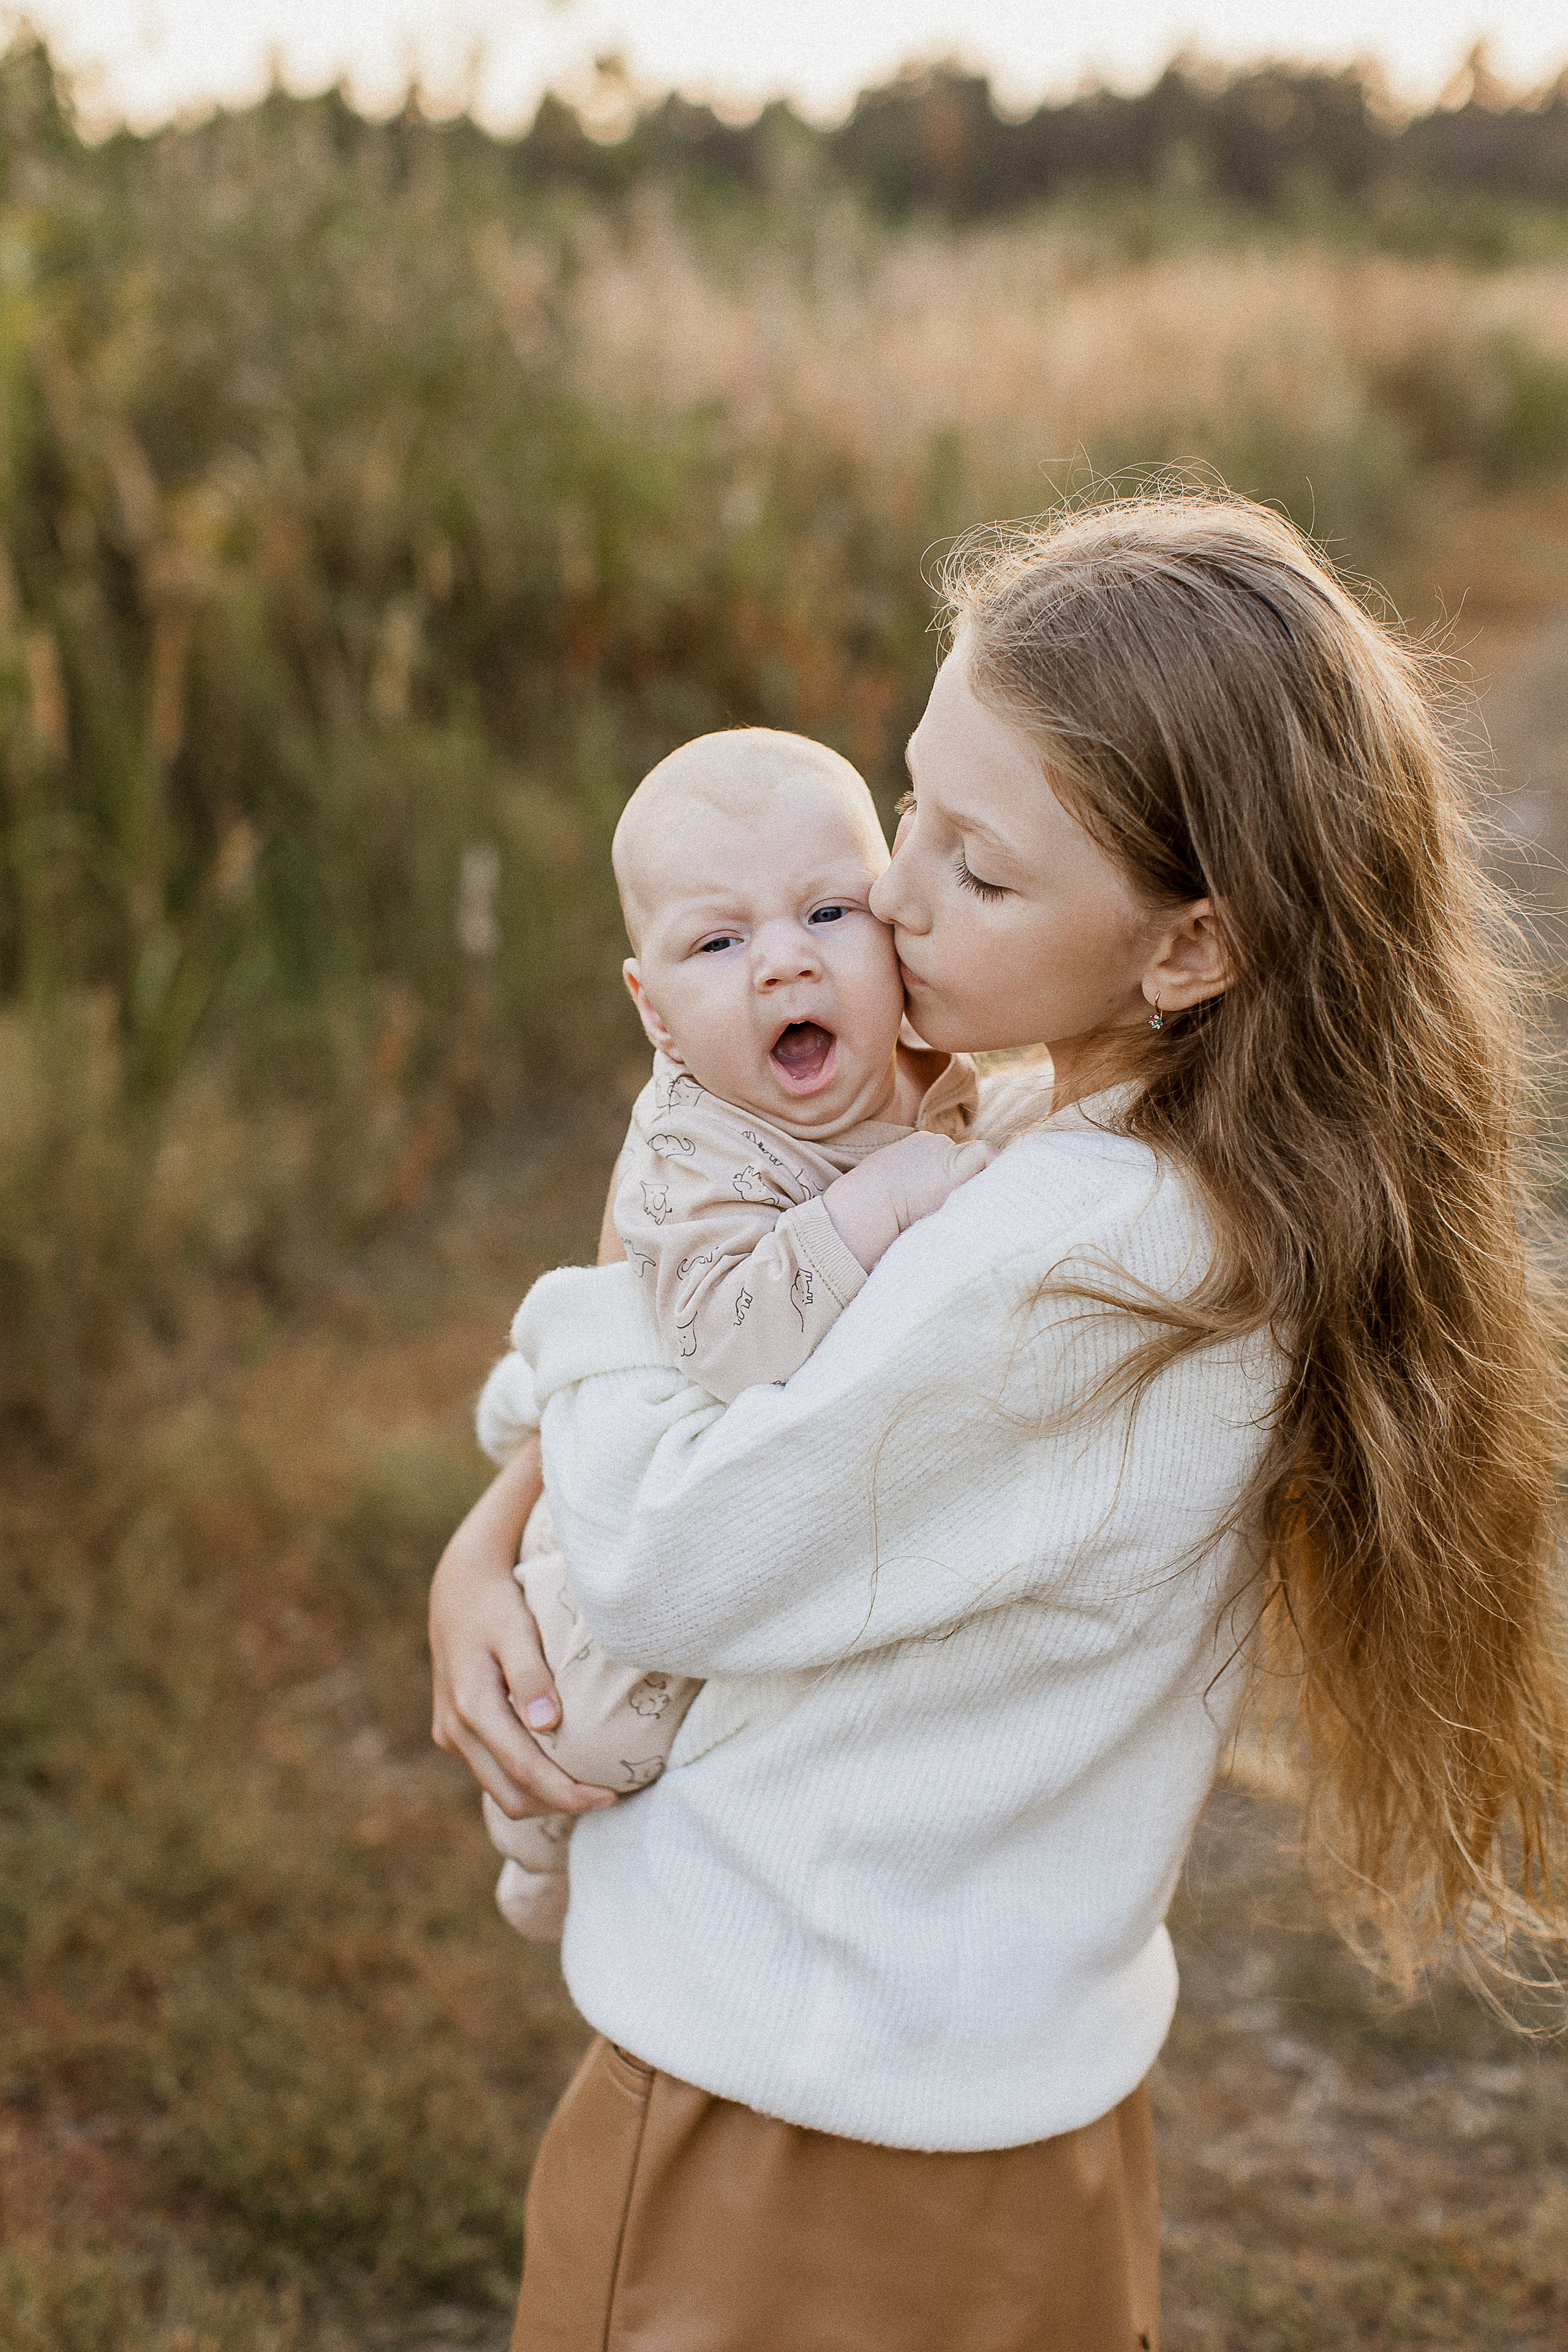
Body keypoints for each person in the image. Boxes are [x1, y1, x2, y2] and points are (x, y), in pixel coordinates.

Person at [429, 493, 1567, 2352]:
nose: (888, 897)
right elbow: (784, 1444)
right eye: (912, 809)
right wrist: (493, 1535)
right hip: (1008, 2112)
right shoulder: (1142, 1160)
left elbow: (667, 1562)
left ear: (1188, 950)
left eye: (982, 869)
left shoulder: (1074, 1258)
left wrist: (578, 1329)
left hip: (793, 2131)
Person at [477, 726, 988, 1938]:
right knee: (591, 1729)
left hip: (777, 1497)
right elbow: (724, 1338)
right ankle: (533, 1852)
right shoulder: (689, 1148)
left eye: (825, 913)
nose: (781, 967)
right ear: (653, 1012)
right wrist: (882, 1199)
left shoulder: (917, 1056)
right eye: (718, 942)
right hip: (632, 1506)